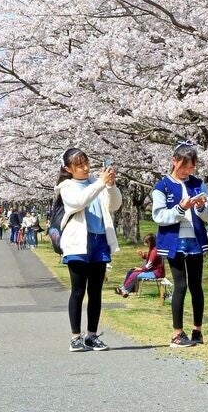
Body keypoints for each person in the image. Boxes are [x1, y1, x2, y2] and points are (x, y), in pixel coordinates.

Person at [152, 141, 208, 348]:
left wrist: (200, 208)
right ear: (174, 161)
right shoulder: (162, 186)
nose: (188, 171)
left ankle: (197, 330)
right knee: (180, 285)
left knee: (196, 286)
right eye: (184, 167)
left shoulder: (198, 184)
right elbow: (159, 216)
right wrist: (180, 208)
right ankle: (177, 333)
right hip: (174, 242)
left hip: (195, 241)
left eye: (191, 167)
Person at [57, 146, 122, 353]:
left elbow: (114, 205)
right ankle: (75, 337)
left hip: (99, 241)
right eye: (79, 165)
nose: (85, 168)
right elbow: (78, 202)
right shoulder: (66, 186)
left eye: (86, 163)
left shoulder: (97, 182)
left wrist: (110, 186)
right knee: (78, 291)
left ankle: (92, 336)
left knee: (96, 292)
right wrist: (101, 184)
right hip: (78, 243)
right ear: (68, 168)